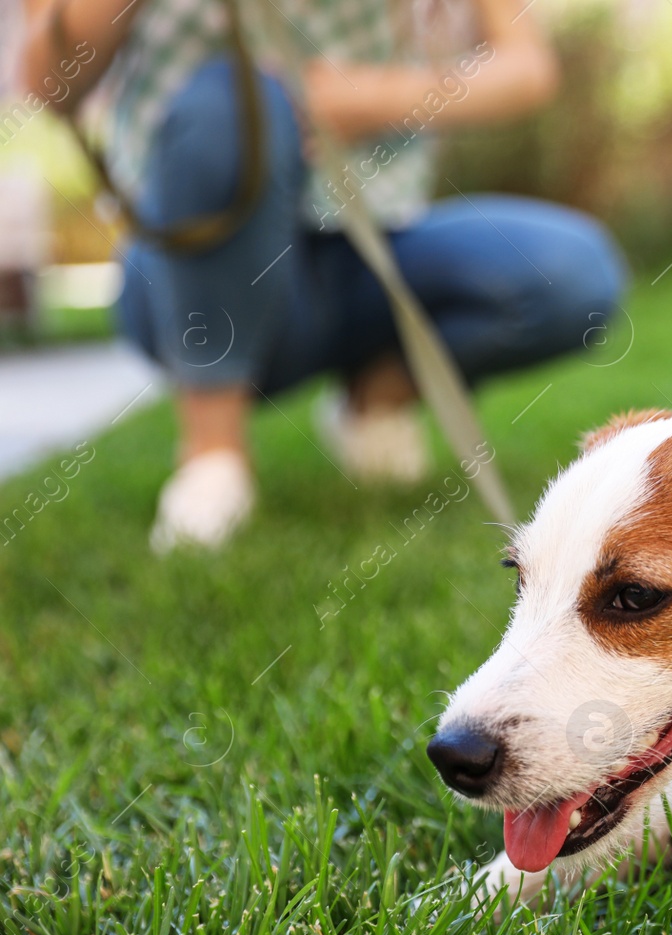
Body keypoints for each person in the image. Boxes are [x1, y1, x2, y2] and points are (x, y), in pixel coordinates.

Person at [18, 0, 627, 552]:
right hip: (190, 281)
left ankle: (376, 395)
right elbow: (46, 85)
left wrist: (370, 100)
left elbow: (527, 67)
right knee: (230, 98)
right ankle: (211, 455)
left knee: (571, 273)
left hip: (373, 245)